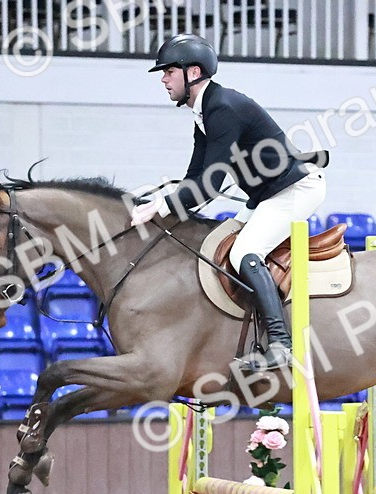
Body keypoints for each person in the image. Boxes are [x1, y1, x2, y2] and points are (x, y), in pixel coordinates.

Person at [133, 33, 327, 372]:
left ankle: (281, 344)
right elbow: (195, 177)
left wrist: (160, 207)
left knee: (243, 252)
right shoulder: (204, 113)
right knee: (219, 246)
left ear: (192, 73)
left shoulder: (222, 108)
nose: (163, 79)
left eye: (168, 72)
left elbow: (210, 185)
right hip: (266, 196)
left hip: (295, 190)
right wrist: (161, 207)